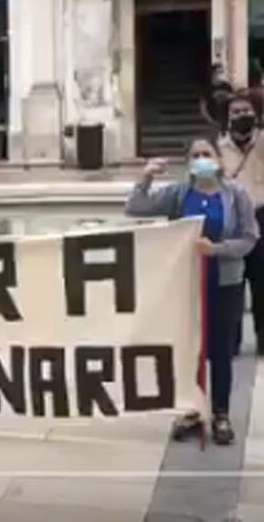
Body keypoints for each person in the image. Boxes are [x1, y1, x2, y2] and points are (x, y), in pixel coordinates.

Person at [126, 138, 258, 445]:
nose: (201, 159)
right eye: (195, 155)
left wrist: (218, 249)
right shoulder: (178, 193)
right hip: (186, 282)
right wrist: (146, 176)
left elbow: (250, 238)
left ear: (217, 158)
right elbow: (135, 207)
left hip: (225, 282)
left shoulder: (235, 195)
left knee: (222, 351)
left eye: (206, 154)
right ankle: (191, 410)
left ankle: (221, 413)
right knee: (189, 349)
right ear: (189, 162)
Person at [220, 92, 264, 354]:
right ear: (227, 119)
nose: (241, 116)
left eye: (245, 111)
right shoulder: (218, 147)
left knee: (262, 283)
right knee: (232, 283)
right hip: (233, 220)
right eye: (235, 113)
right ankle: (230, 340)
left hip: (262, 215)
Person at [201, 63, 234, 133]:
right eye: (219, 72)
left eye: (222, 71)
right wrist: (209, 119)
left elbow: (234, 100)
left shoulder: (227, 86)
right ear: (213, 73)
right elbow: (203, 105)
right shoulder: (208, 87)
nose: (221, 74)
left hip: (227, 119)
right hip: (214, 118)